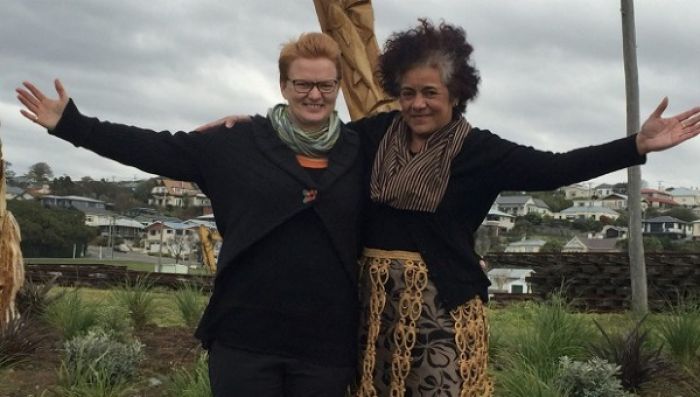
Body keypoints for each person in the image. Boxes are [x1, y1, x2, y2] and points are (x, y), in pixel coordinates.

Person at [199, 20, 700, 397]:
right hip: (371, 306)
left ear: (457, 95)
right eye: (408, 93)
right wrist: (246, 128)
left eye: (431, 93)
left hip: (441, 306)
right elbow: (312, 134)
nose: (418, 104)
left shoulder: (480, 151)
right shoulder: (370, 136)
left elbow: (555, 168)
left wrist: (635, 144)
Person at [17, 32, 366, 396]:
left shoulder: (362, 148)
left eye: (325, 85)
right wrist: (73, 125)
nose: (315, 95)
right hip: (245, 337)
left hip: (326, 343)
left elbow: (417, 123)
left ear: (339, 87)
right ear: (283, 86)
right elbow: (155, 148)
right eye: (303, 84)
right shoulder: (237, 143)